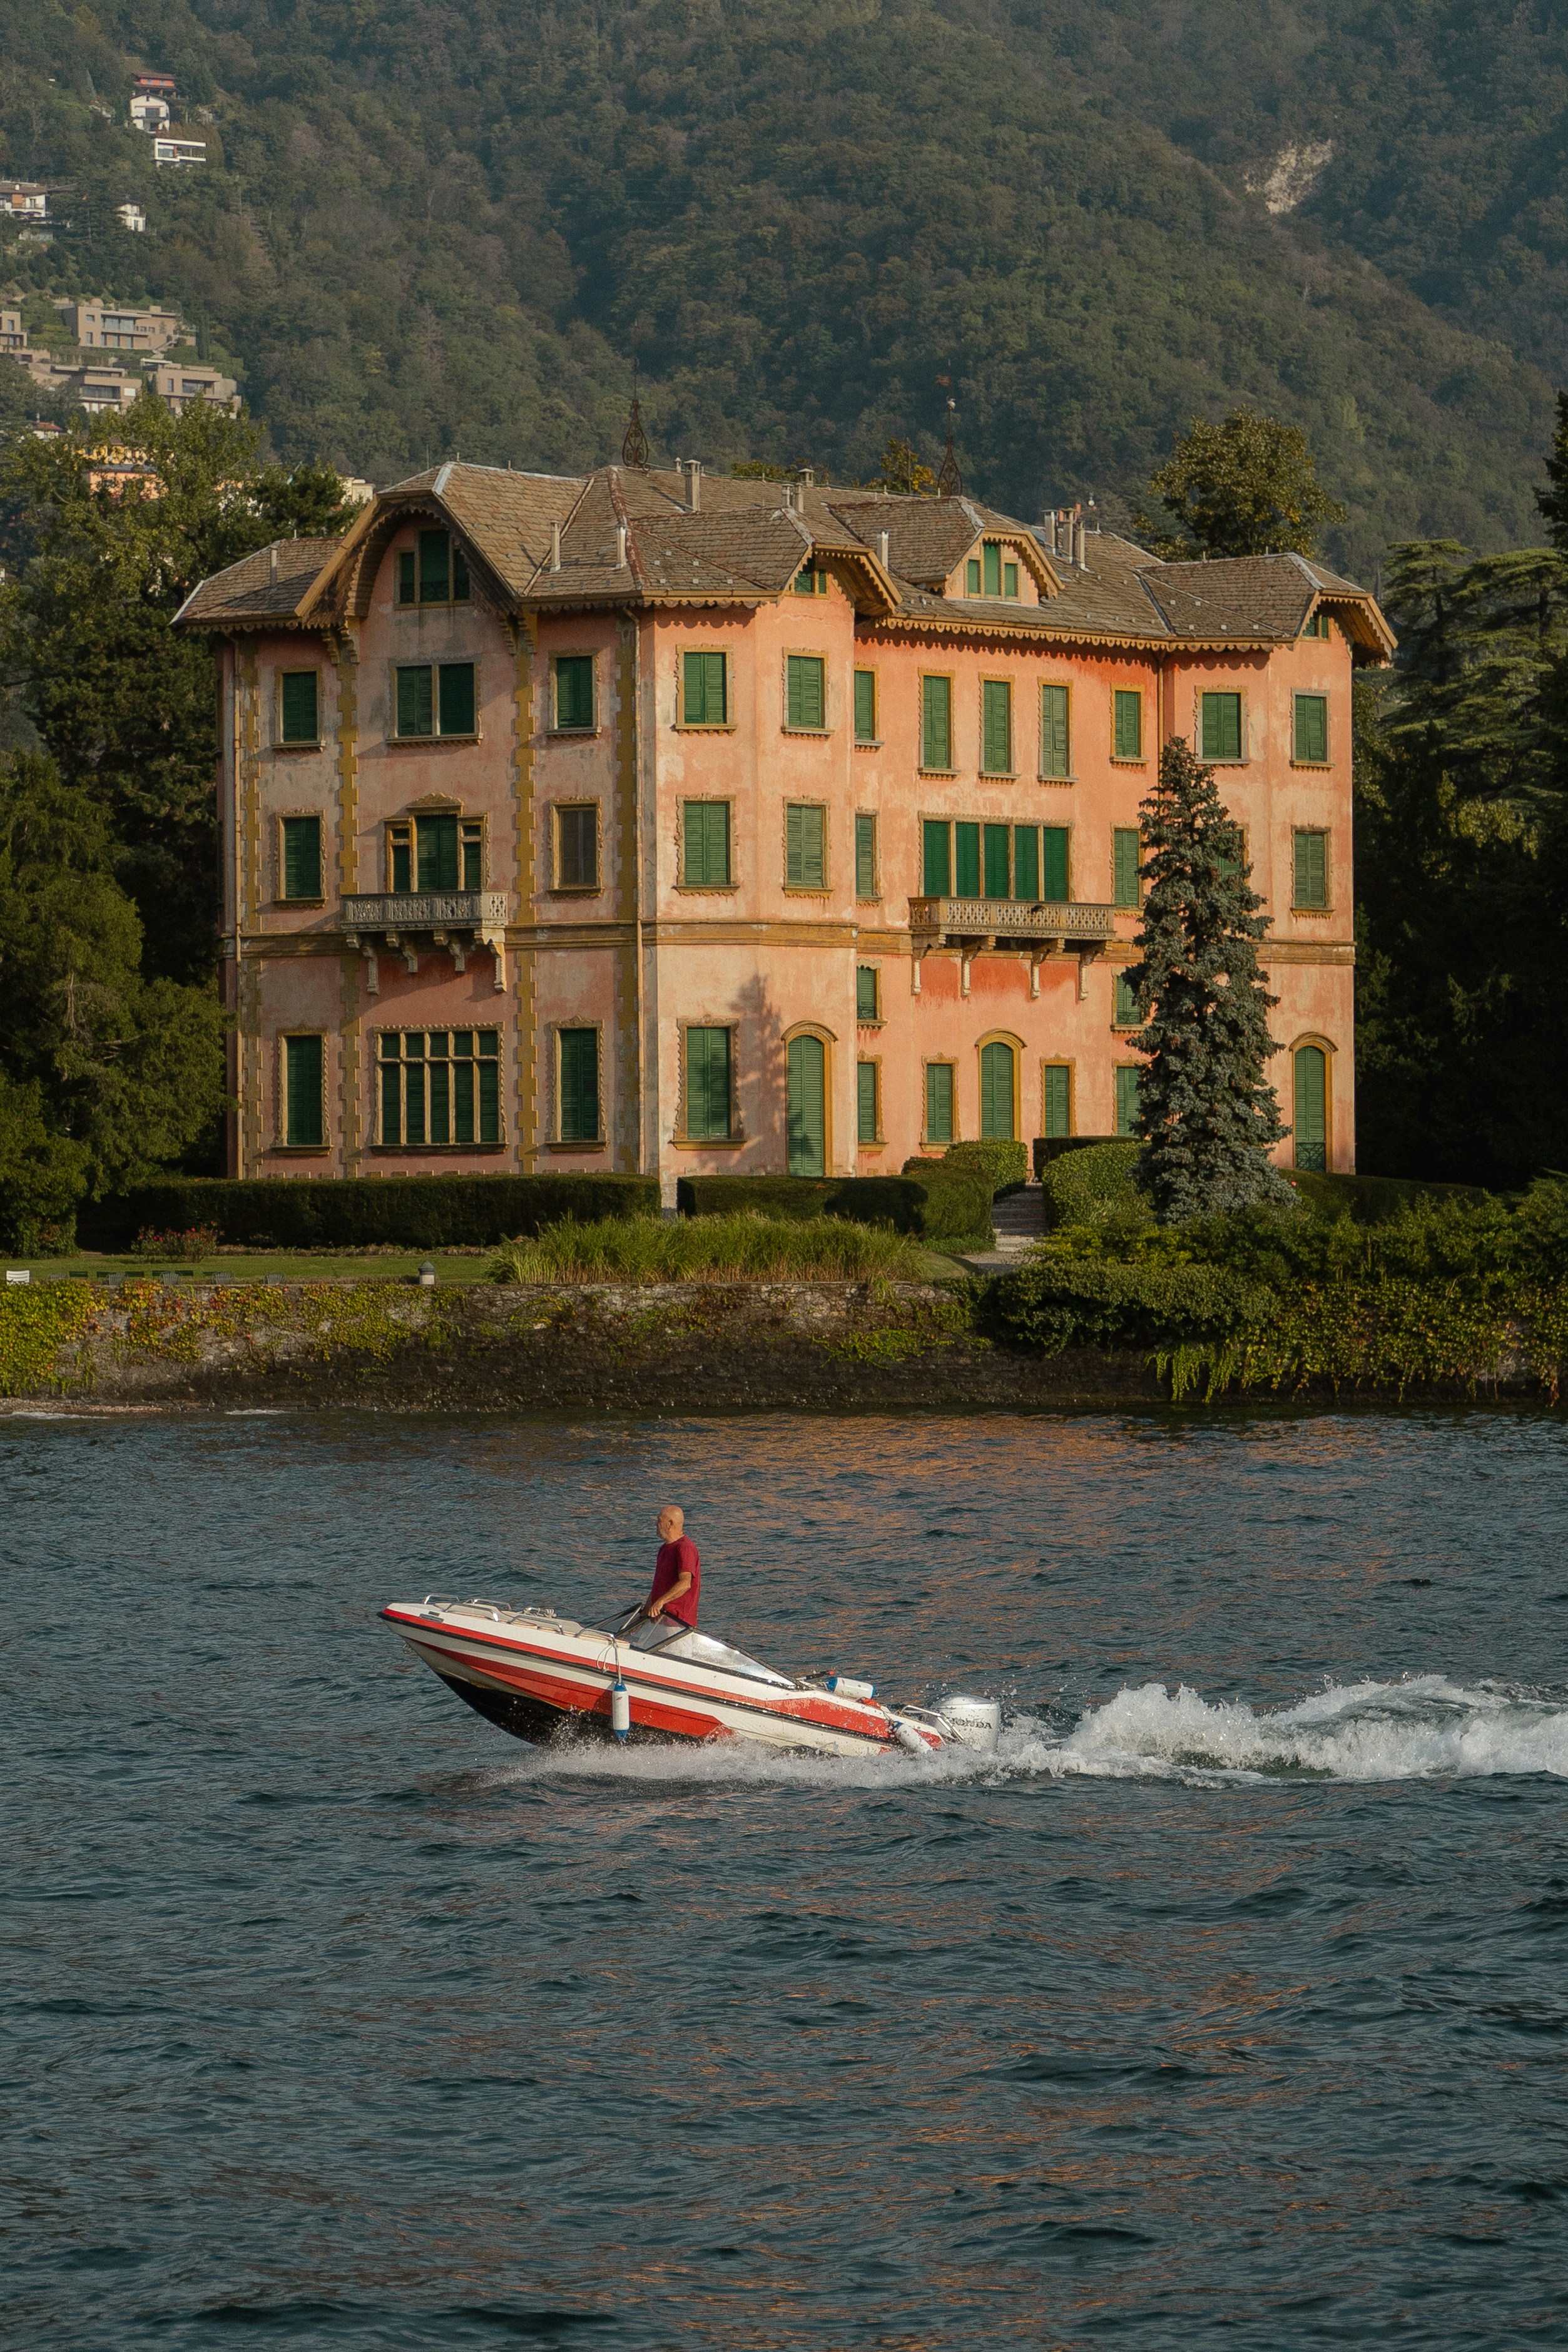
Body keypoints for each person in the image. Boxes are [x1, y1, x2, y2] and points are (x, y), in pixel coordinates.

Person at [644, 1504, 701, 1627]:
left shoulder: (685, 1548)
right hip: (659, 1621)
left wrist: (660, 1602)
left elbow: (686, 1583)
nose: (656, 1524)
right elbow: (657, 1587)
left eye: (659, 1520)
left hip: (677, 1622)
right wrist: (644, 1614)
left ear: (670, 1524)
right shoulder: (663, 1549)